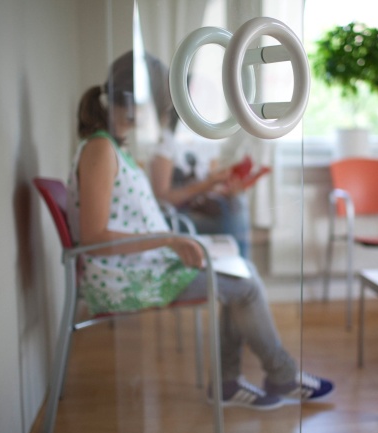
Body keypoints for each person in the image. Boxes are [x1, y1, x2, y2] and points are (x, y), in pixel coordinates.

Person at [67, 50, 333, 410]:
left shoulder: (111, 147)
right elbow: (94, 240)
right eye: (159, 105)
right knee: (246, 285)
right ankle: (276, 376)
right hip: (126, 279)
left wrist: (173, 238)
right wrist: (171, 239)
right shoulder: (100, 150)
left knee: (242, 273)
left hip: (145, 266)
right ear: (135, 102)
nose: (161, 116)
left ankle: (234, 381)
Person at [145, 52, 252, 259]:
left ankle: (237, 269)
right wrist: (205, 185)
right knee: (232, 214)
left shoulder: (207, 140)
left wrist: (229, 188)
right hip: (178, 216)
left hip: (204, 208)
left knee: (237, 203)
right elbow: (162, 198)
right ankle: (238, 267)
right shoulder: (166, 143)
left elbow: (213, 186)